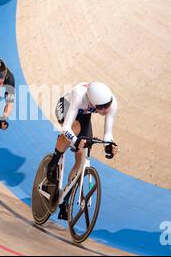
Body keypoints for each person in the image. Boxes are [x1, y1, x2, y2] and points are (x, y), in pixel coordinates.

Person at [48, 82, 119, 220]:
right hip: (67, 107)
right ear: (92, 103)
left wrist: (109, 146)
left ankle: (65, 199)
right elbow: (66, 128)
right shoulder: (79, 96)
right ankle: (53, 162)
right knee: (75, 130)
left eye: (107, 106)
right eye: (101, 108)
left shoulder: (111, 103)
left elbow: (108, 134)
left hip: (84, 114)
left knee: (82, 156)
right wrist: (75, 140)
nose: (105, 111)